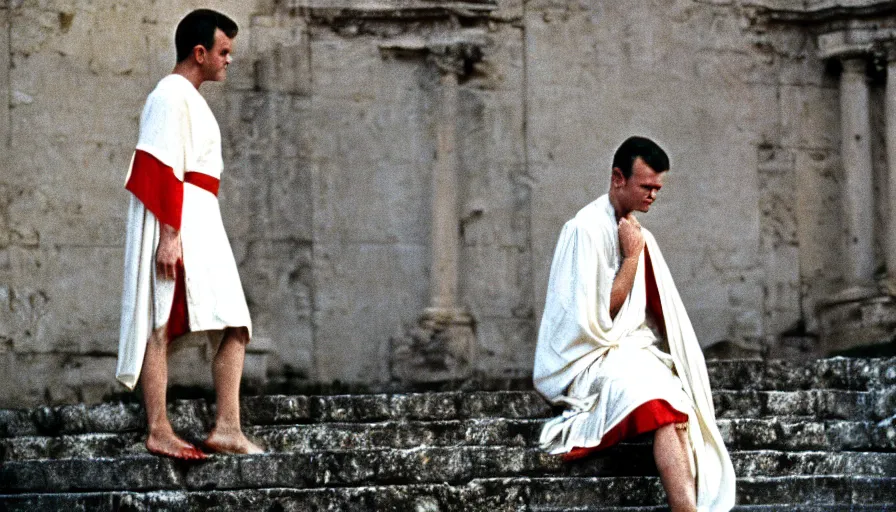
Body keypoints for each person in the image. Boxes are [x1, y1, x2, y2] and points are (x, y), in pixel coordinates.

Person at [532, 137, 735, 511]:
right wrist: (630, 258)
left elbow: (658, 309)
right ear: (617, 178)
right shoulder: (583, 230)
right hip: (585, 357)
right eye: (646, 186)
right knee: (656, 401)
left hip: (627, 350)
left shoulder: (639, 234)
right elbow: (592, 317)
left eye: (658, 188)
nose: (653, 195)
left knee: (674, 410)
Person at [116, 9, 262, 459]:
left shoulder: (188, 97)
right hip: (179, 217)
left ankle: (227, 428)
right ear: (199, 53)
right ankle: (159, 429)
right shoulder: (170, 94)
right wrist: (169, 235)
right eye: (223, 51)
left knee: (234, 321)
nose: (228, 60)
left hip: (199, 216)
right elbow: (158, 167)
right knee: (159, 318)